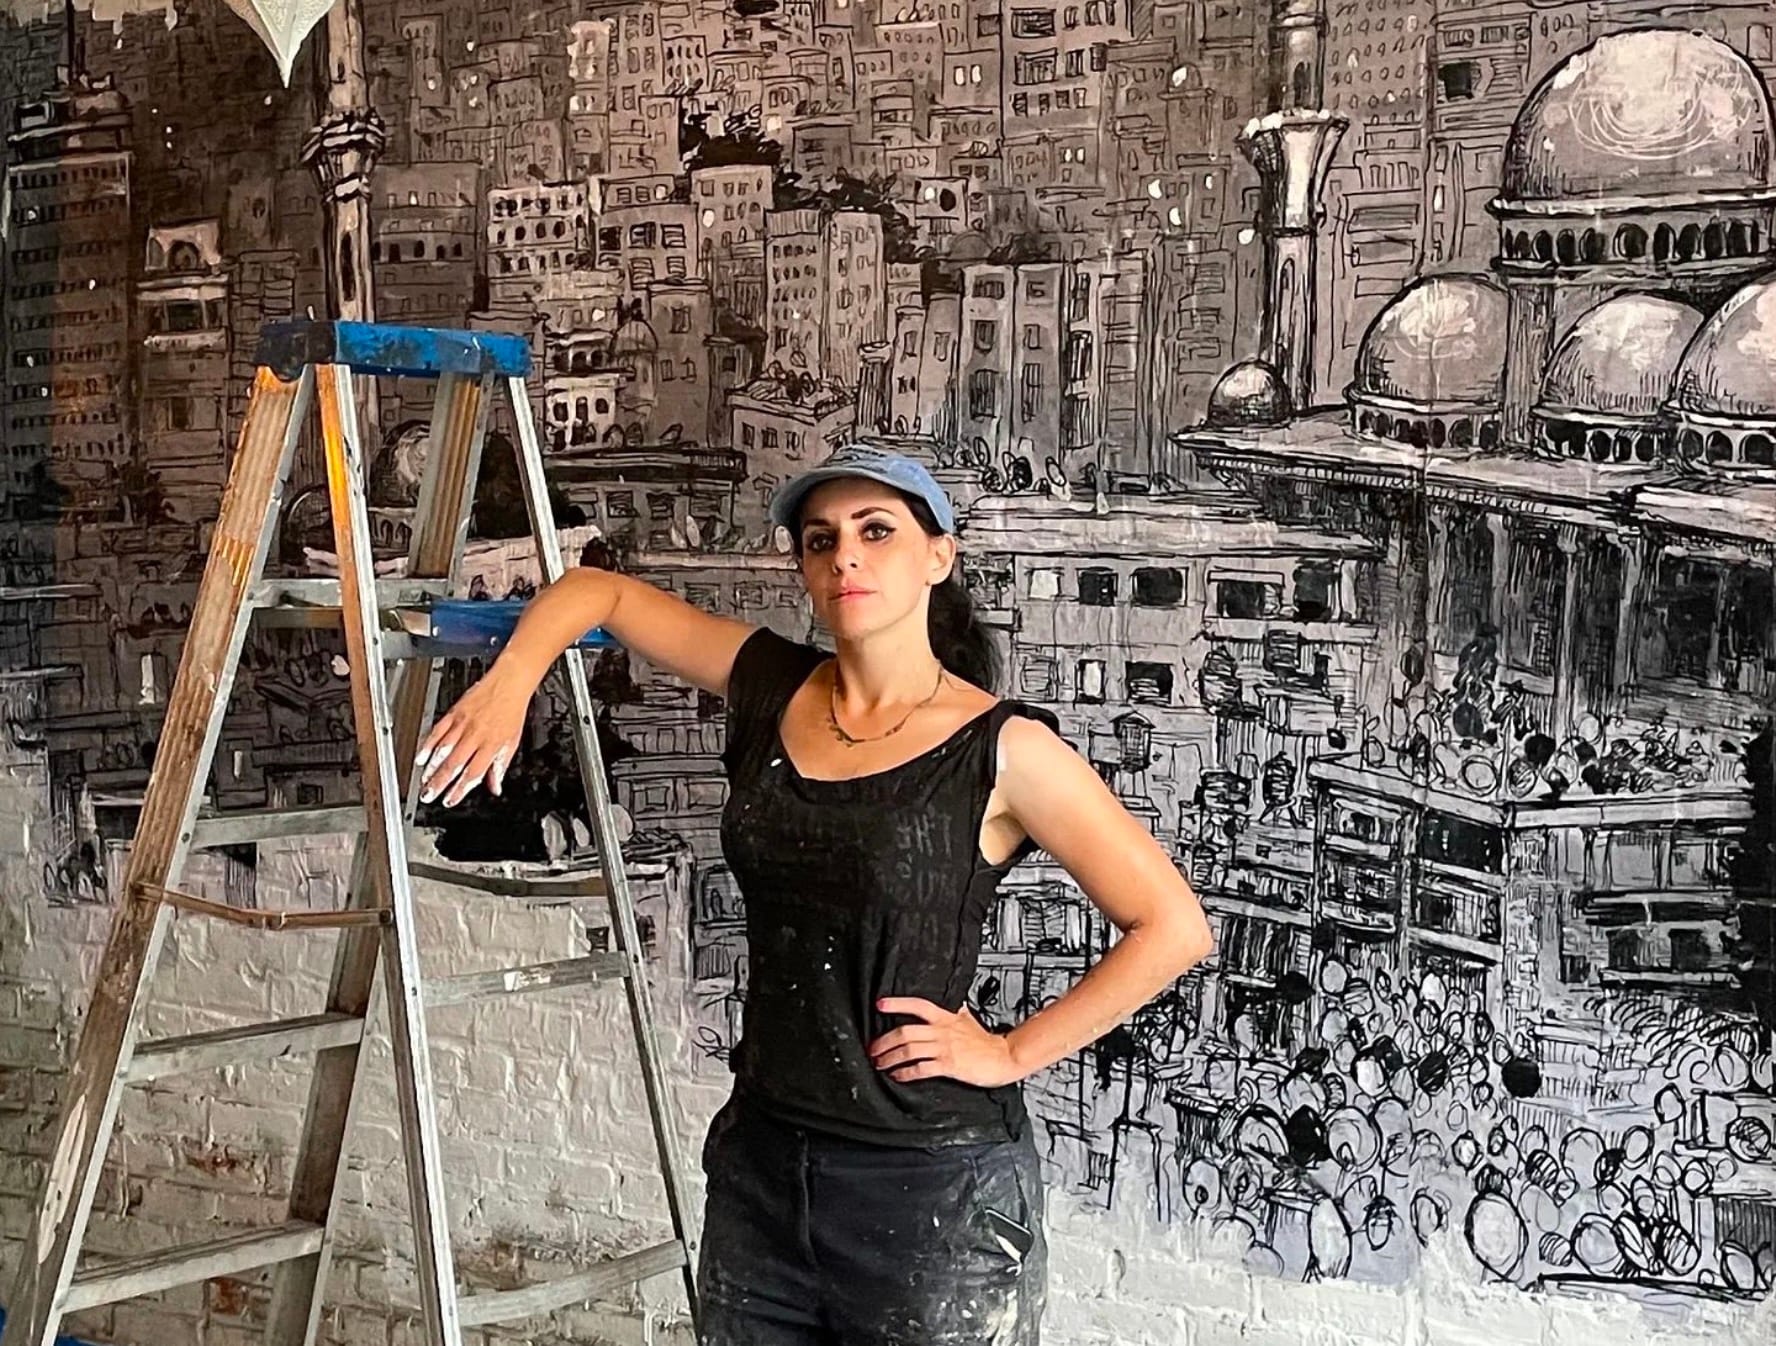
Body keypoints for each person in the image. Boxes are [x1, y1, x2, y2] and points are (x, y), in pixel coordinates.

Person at [415, 445, 1215, 1345]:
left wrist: (1010, 1052)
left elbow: (1172, 926)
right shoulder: (773, 687)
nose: (846, 558)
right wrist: (510, 683)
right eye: (821, 539)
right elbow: (598, 592)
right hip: (762, 1167)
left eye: (877, 532)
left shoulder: (1003, 749)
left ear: (938, 556)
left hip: (932, 1195)